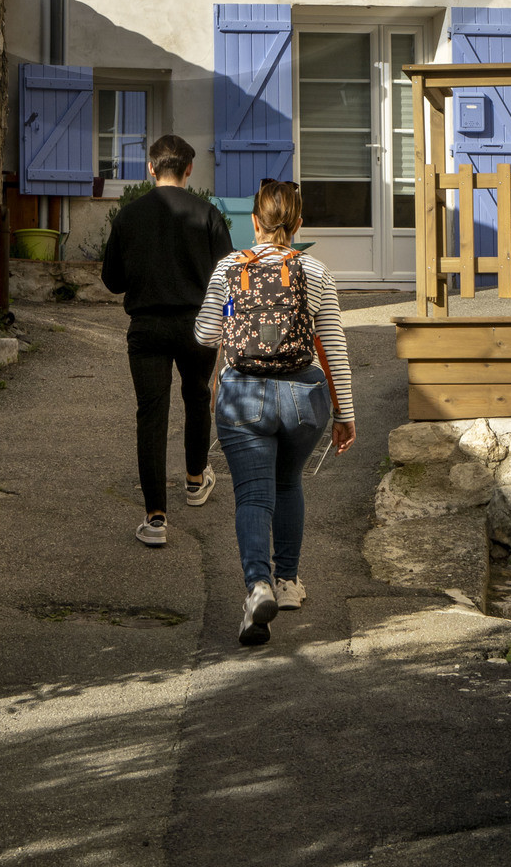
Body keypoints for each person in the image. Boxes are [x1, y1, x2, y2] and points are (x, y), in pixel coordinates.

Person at [194, 176, 355, 646]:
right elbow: (334, 347)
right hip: (303, 400)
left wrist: (237, 326)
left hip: (243, 396)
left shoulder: (229, 266)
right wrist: (345, 414)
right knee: (289, 483)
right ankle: (287, 582)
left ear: (254, 221)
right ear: (299, 223)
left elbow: (205, 335)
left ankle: (257, 586)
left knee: (253, 496)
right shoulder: (318, 272)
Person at [101, 131, 234, 546]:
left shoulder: (128, 216)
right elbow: (226, 277)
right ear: (189, 169)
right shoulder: (209, 214)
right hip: (198, 324)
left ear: (151, 169)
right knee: (197, 397)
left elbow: (112, 281)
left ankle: (156, 517)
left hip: (147, 328)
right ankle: (195, 480)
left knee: (151, 413)